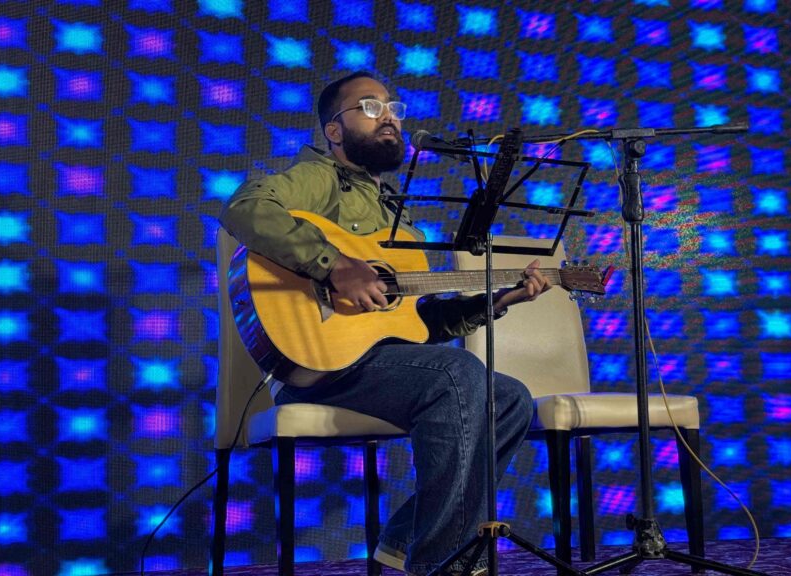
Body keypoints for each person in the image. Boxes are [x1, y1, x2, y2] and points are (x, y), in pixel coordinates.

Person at [220, 71, 552, 576]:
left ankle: (403, 539)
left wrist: (500, 299)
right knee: (459, 375)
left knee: (510, 399)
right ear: (334, 130)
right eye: (370, 107)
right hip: (320, 365)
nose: (389, 117)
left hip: (379, 364)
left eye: (393, 108)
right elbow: (244, 207)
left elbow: (419, 326)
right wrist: (334, 265)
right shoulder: (320, 177)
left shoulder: (395, 210)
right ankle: (440, 565)